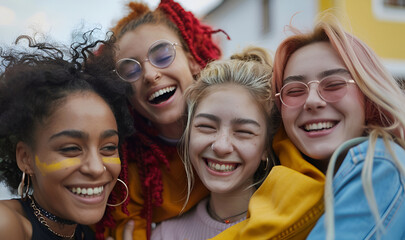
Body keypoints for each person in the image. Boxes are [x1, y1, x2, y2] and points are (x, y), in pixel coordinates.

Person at [210, 14, 405, 240]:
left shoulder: (380, 163)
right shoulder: (286, 184)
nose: (312, 101)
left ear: (368, 94)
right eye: (294, 91)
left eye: (333, 85)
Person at [0, 33, 134, 240]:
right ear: (25, 158)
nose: (96, 168)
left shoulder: (87, 233)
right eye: (71, 148)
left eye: (109, 147)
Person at [95, 1, 229, 239]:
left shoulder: (245, 120)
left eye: (163, 54)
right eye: (130, 70)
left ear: (192, 60)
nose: (149, 74)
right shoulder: (132, 176)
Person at [151, 46, 276, 239]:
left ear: (266, 147)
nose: (221, 146)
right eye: (207, 126)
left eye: (243, 132)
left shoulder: (295, 226)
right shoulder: (165, 235)